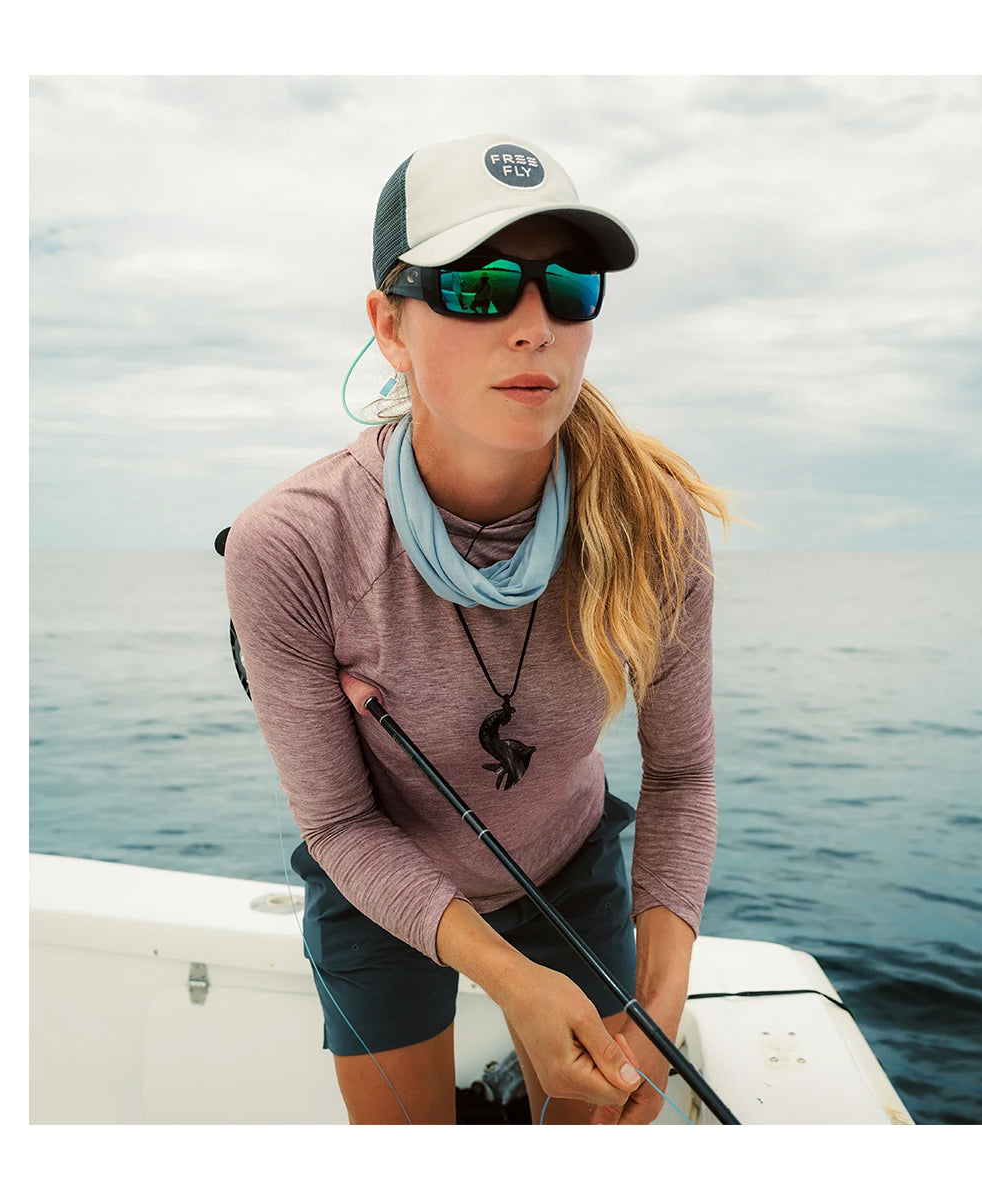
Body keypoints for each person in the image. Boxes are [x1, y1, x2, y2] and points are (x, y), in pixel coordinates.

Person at [223, 133, 730, 1125]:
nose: (533, 326)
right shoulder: (290, 543)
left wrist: (657, 1009)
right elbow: (340, 825)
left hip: (568, 867)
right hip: (381, 884)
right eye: (479, 286)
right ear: (390, 325)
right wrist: (509, 976)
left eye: (568, 287)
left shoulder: (655, 520)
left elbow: (681, 775)